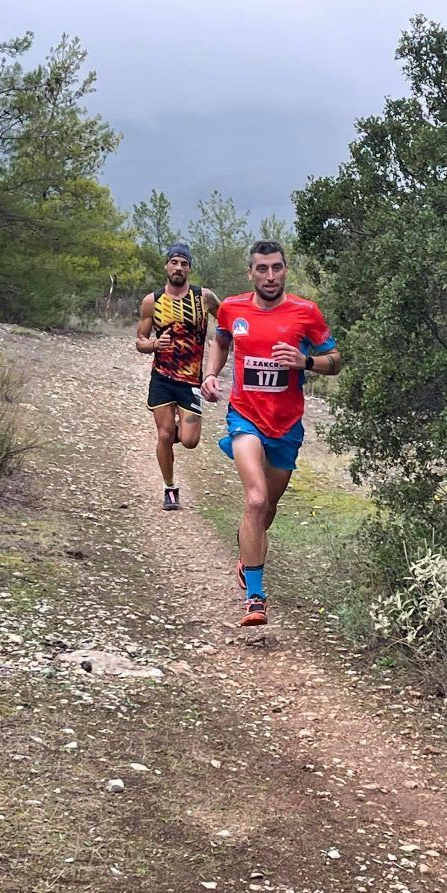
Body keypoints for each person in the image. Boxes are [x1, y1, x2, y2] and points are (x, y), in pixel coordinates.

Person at [201, 239, 341, 626]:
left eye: (276, 267)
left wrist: (306, 361)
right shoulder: (232, 308)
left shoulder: (306, 312)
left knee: (268, 508)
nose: (270, 275)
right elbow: (221, 342)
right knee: (256, 499)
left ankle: (247, 556)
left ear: (285, 270)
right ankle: (255, 598)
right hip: (245, 416)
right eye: (262, 269)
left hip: (286, 425)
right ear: (250, 273)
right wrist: (210, 374)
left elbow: (335, 361)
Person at [136, 243, 220, 510]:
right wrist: (154, 345)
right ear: (166, 266)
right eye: (174, 263)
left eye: (184, 264)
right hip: (162, 378)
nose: (179, 268)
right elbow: (140, 340)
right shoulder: (152, 301)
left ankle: (175, 429)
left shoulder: (204, 297)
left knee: (190, 440)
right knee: (164, 436)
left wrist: (222, 343)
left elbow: (227, 321)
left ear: (190, 269)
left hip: (192, 380)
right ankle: (170, 488)